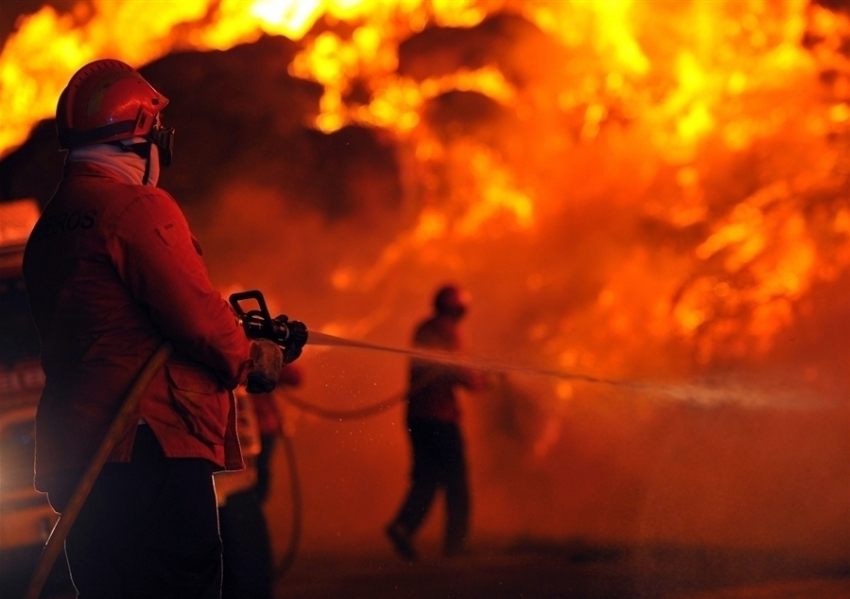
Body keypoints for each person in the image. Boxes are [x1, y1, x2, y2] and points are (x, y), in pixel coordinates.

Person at [23, 59, 290, 598]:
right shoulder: (136, 207)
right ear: (142, 137)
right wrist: (251, 356)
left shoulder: (51, 226)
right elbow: (195, 315)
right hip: (149, 448)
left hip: (81, 455)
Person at [385, 284, 482, 561]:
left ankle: (403, 527)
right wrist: (481, 381)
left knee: (427, 477)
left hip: (417, 416)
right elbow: (460, 372)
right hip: (441, 418)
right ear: (457, 308)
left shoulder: (423, 327)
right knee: (457, 483)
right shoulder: (447, 330)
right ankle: (456, 547)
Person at [217, 363, 302, 599]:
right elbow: (294, 375)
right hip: (234, 448)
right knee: (242, 527)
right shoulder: (239, 340)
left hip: (241, 442)